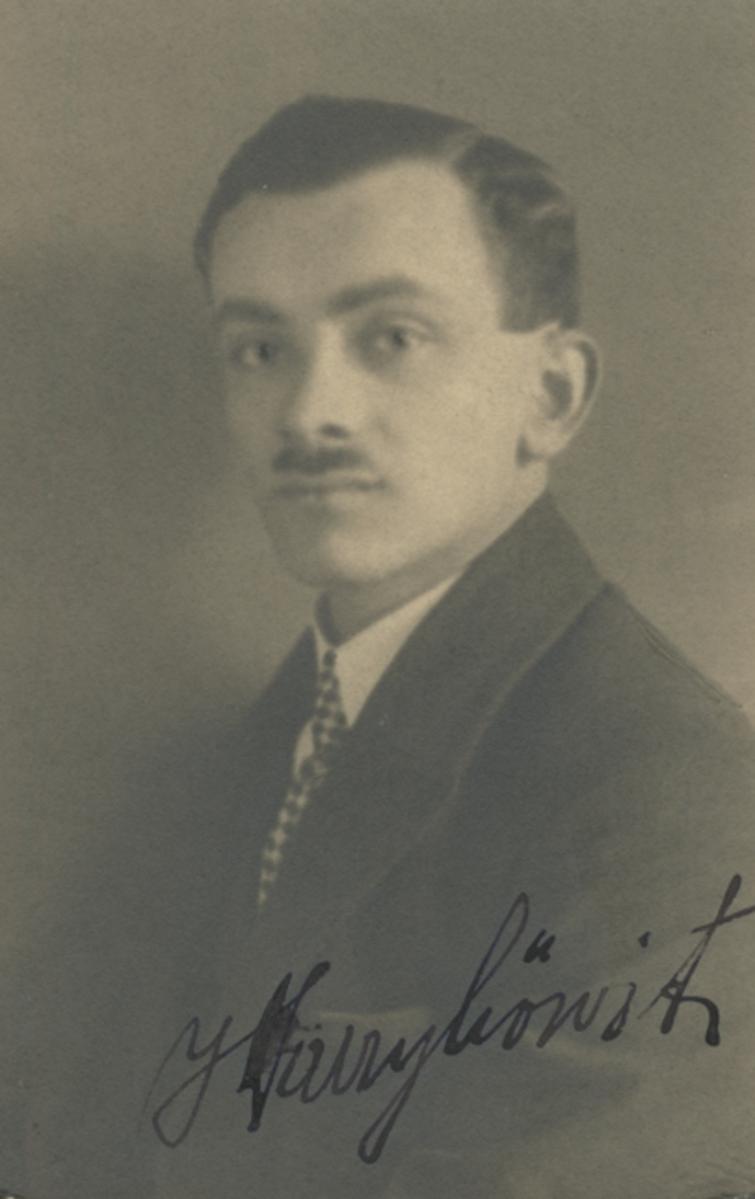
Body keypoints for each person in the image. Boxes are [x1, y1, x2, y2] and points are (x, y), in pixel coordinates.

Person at [15, 95, 755, 1199]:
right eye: (259, 348)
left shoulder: (673, 789)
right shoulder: (232, 764)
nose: (308, 412)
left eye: (391, 338)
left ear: (551, 395)